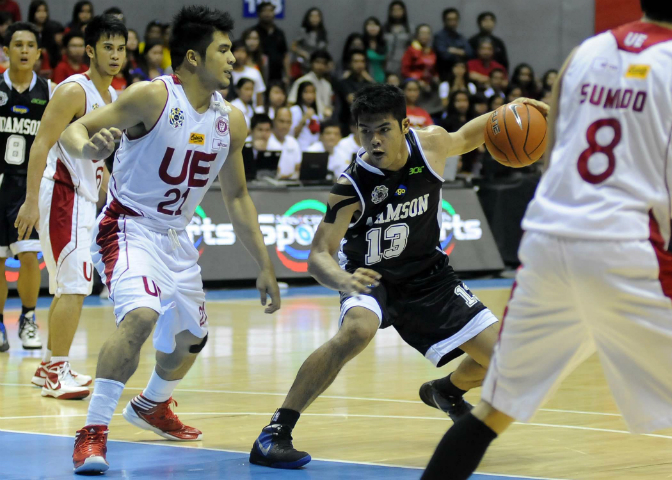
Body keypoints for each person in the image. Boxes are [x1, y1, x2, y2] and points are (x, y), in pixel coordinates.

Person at [422, 2, 672, 478]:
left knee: (493, 411)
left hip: (548, 242)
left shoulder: (586, 52)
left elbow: (556, 154)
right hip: (626, 246)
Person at [250, 83, 546, 469]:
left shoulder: (431, 145)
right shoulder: (351, 185)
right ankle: (275, 432)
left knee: (509, 364)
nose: (374, 140)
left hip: (428, 274)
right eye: (365, 131)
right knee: (357, 331)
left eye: (383, 129)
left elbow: (473, 134)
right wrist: (342, 280)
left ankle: (447, 390)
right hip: (371, 275)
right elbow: (319, 254)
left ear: (405, 126)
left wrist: (516, 108)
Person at [53, 5, 280, 474]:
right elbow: (73, 129)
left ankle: (152, 404)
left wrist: (264, 264)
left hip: (175, 237)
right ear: (193, 57)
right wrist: (87, 148)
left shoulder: (231, 121)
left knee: (190, 340)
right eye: (224, 49)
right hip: (128, 225)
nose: (233, 58)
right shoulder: (151, 96)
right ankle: (92, 432)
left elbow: (238, 196)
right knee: (141, 315)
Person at [15, 15, 127, 400]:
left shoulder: (112, 99)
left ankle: (49, 365)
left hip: (83, 199)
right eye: (108, 47)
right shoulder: (73, 90)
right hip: (61, 193)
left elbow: (101, 164)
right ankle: (55, 373)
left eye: (121, 48)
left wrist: (117, 200)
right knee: (77, 285)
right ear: (90, 51)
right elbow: (41, 144)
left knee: (67, 287)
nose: (115, 55)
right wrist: (31, 201)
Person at [0, 22, 51, 352]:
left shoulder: (50, 91)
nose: (23, 50)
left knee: (29, 254)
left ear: (38, 52)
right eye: (17, 44)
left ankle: (28, 318)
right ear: (6, 51)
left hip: (29, 186)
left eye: (30, 45)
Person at [287, 50, 333, 117]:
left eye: (323, 63)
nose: (320, 66)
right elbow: (291, 103)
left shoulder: (327, 85)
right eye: (317, 62)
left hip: (321, 119)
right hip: (303, 119)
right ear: (311, 63)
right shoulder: (301, 81)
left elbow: (328, 106)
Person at [335, 49, 372, 131]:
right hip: (346, 124)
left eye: (362, 61)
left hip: (366, 124)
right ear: (349, 64)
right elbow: (352, 100)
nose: (359, 64)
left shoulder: (369, 84)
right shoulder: (343, 83)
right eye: (356, 61)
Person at [253, 2, 289, 83]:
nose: (267, 13)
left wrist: (287, 76)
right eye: (264, 11)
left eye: (270, 11)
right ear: (259, 13)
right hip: (258, 74)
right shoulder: (254, 33)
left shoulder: (279, 33)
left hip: (277, 76)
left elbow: (285, 55)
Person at [433, 8, 473, 80]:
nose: (452, 22)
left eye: (455, 19)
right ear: (444, 21)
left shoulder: (460, 36)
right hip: (445, 73)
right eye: (450, 19)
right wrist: (461, 52)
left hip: (461, 73)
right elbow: (445, 56)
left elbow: (470, 53)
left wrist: (453, 50)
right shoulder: (439, 36)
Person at [292, 7, 327, 76]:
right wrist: (303, 53)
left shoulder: (322, 33)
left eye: (317, 16)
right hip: (304, 65)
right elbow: (293, 47)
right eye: (312, 16)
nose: (315, 19)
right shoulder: (303, 31)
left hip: (318, 67)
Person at [231, 40, 265, 108]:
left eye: (243, 51)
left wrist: (259, 110)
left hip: (251, 110)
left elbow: (259, 97)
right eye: (237, 51)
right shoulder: (226, 73)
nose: (240, 55)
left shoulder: (254, 72)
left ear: (247, 54)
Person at [290, 81, 321, 151]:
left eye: (312, 92)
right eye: (306, 92)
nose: (309, 95)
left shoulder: (317, 113)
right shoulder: (295, 110)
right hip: (300, 148)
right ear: (300, 93)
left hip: (315, 149)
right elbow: (292, 134)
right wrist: (304, 119)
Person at [272, 106, 302, 179]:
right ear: (274, 121)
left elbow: (298, 168)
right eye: (281, 121)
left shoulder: (293, 142)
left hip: (291, 183)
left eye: (288, 122)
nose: (285, 126)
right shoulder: (267, 140)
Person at [383, 0, 412, 76]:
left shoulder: (410, 28)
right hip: (387, 62)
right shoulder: (384, 28)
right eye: (394, 10)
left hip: (403, 63)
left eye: (399, 9)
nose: (397, 12)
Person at [363, 17, 386, 84]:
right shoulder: (362, 43)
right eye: (370, 25)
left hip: (382, 77)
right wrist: (370, 80)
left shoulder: (383, 44)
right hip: (367, 78)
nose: (373, 28)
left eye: (375, 25)